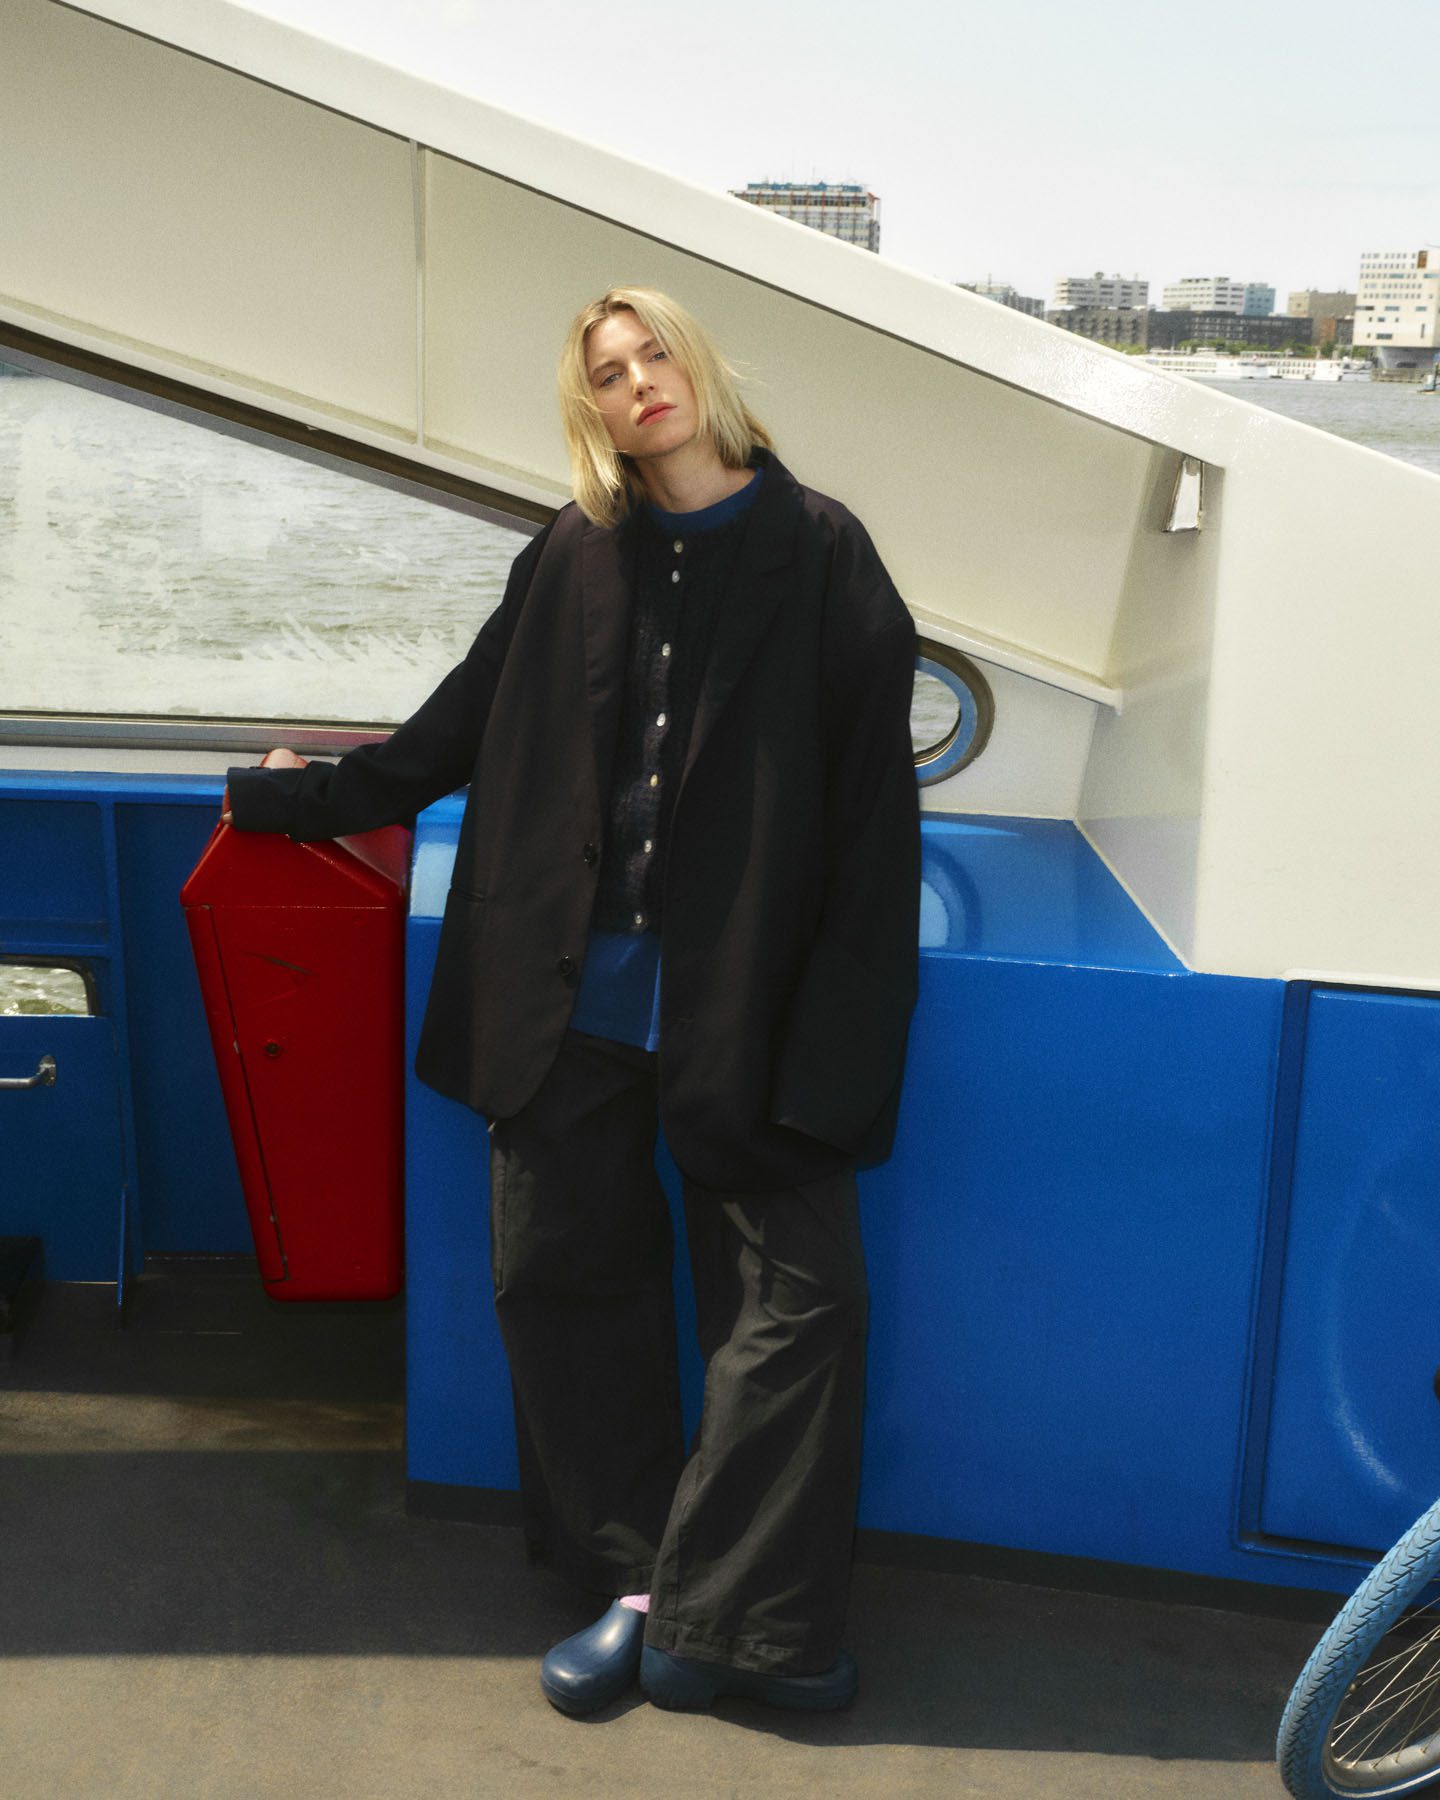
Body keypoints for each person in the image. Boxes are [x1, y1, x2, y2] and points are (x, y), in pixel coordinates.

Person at [223, 286, 920, 1717]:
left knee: (802, 1306)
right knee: (561, 1286)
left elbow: (872, 819)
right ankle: (640, 1586)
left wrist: (844, 1040)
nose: (639, 382)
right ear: (588, 406)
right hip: (564, 1004)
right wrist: (300, 800)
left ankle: (731, 1627)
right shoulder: (573, 550)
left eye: (657, 354)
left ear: (700, 369)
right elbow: (462, 723)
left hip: (751, 1012)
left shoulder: (822, 550)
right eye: (608, 371)